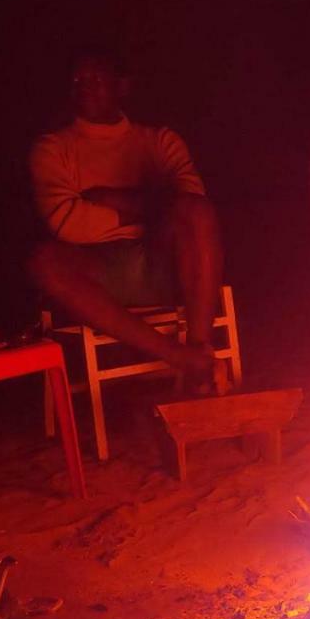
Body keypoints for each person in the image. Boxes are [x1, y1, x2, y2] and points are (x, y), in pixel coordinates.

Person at [27, 49, 224, 387]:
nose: (85, 86)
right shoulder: (52, 149)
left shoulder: (160, 142)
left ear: (122, 87)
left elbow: (192, 202)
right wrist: (151, 206)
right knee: (44, 262)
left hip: (164, 259)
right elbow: (67, 222)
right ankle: (180, 357)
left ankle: (199, 349)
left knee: (197, 213)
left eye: (96, 78)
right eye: (78, 80)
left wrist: (110, 199)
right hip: (100, 270)